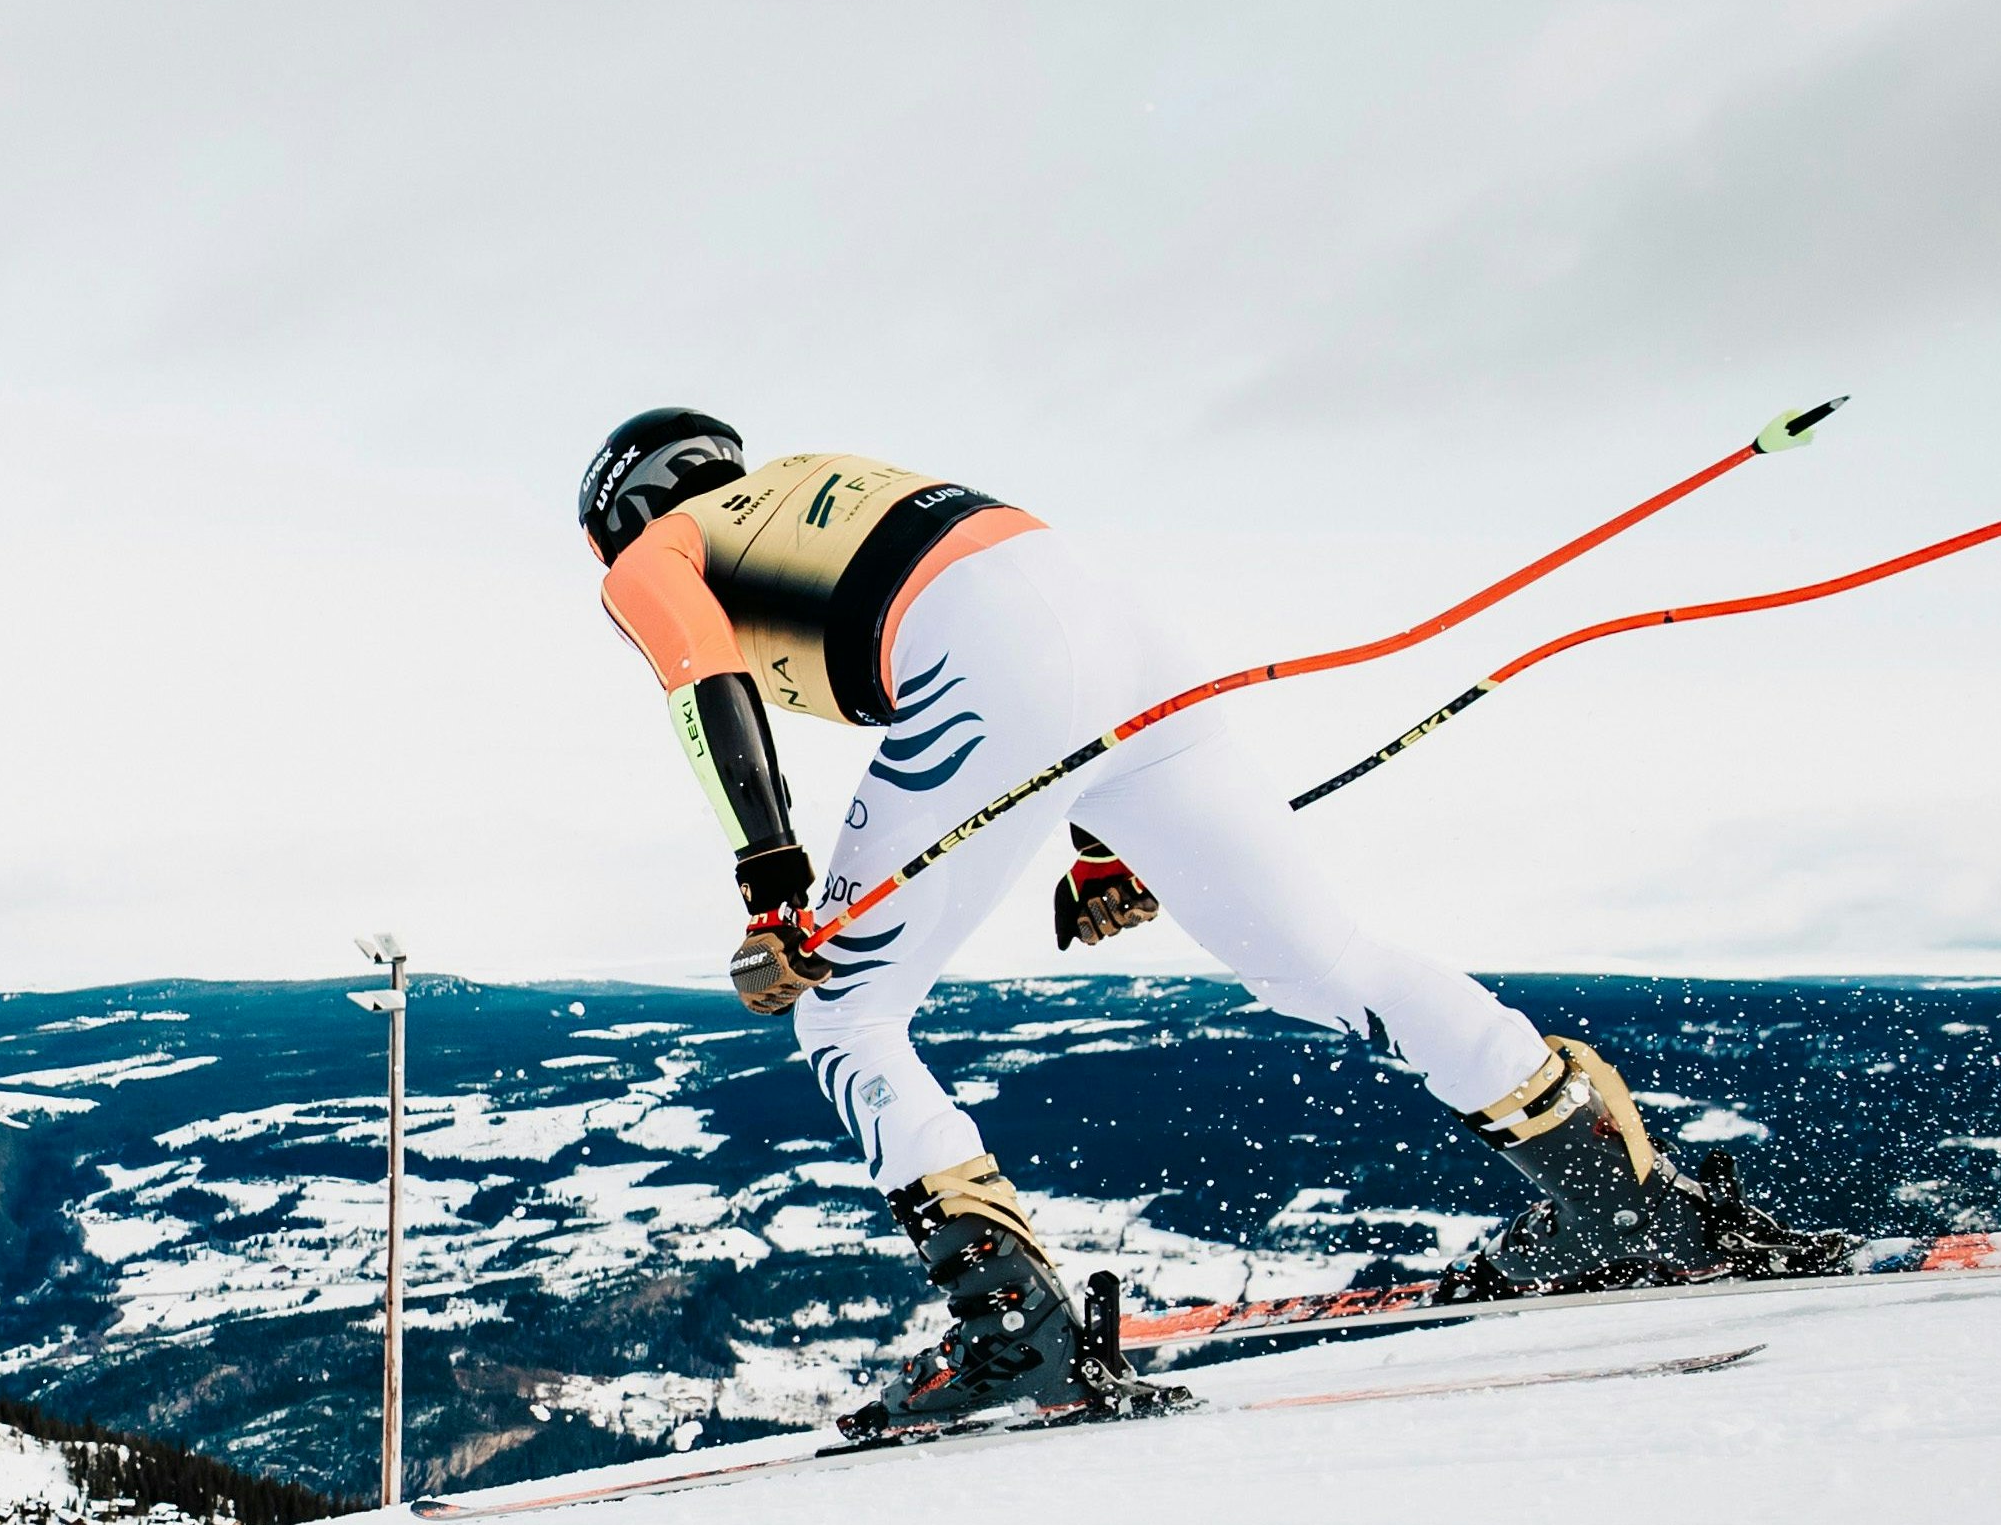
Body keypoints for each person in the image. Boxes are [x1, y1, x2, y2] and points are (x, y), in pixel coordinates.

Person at [579, 409, 1844, 1433]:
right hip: (1130, 641)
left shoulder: (655, 550)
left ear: (621, 512)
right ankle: (1632, 1205)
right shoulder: (813, 481)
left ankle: (1013, 1335)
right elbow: (1028, 624)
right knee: (1322, 961)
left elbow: (709, 680)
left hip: (994, 653)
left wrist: (772, 884)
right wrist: (1094, 843)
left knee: (843, 1013)